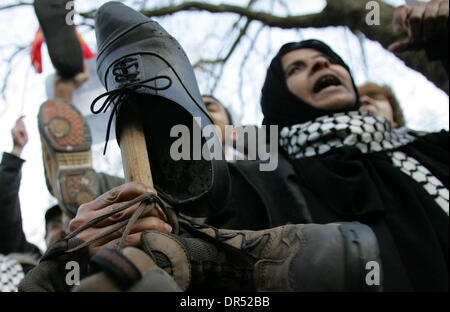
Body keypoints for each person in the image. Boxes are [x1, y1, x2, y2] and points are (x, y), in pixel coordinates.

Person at [19, 1, 382, 292]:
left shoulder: (264, 150)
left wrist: (230, 137)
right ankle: (109, 193)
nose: (320, 63)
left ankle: (171, 190)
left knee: (225, 183)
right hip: (185, 231)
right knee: (129, 221)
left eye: (213, 107)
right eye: (296, 67)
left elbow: (262, 144)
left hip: (230, 211)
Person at [206, 0, 449, 291]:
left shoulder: (428, 150)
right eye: (296, 68)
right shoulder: (255, 184)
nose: (322, 63)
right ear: (279, 98)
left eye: (330, 59)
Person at [0, 117, 42, 291]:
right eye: (54, 224)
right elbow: (4, 203)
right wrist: (17, 150)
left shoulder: (71, 271)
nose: (60, 231)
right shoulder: (20, 252)